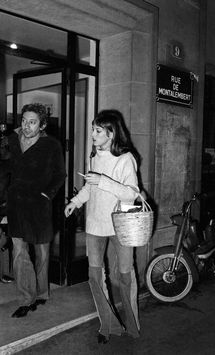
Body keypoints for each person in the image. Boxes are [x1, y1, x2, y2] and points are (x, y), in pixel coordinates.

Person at [65, 109, 140, 344]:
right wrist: (75, 202)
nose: (93, 134)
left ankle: (132, 325)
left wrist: (103, 181)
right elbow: (91, 187)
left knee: (125, 277)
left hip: (120, 223)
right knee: (95, 277)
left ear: (111, 133)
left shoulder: (126, 158)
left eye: (97, 130)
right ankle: (107, 325)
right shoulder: (93, 156)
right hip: (95, 224)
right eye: (93, 129)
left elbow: (133, 194)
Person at [6, 103, 66, 318]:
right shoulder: (13, 140)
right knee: (19, 252)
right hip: (16, 205)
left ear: (42, 125)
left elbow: (60, 175)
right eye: (24, 121)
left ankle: (42, 293)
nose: (26, 126)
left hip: (39, 206)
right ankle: (26, 299)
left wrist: (46, 195)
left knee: (41, 253)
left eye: (32, 122)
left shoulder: (51, 145)